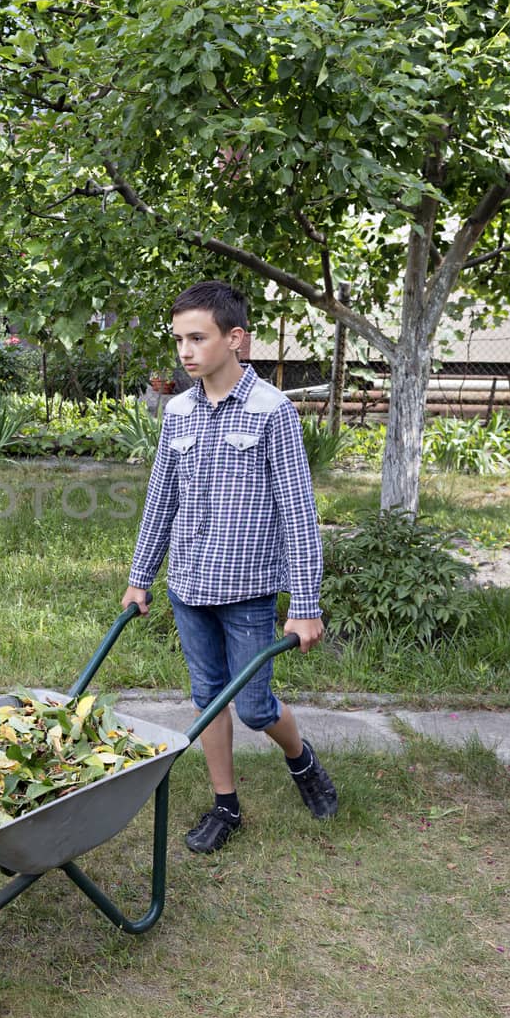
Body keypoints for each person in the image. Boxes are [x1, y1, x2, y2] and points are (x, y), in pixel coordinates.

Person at [121, 280, 335, 853]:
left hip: (247, 591)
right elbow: (160, 501)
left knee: (256, 706)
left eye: (197, 338)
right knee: (208, 695)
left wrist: (305, 607)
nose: (185, 352)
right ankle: (225, 806)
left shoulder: (272, 413)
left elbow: (298, 514)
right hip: (189, 587)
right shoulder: (179, 414)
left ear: (234, 338)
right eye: (178, 340)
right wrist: (142, 578)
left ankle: (300, 758)